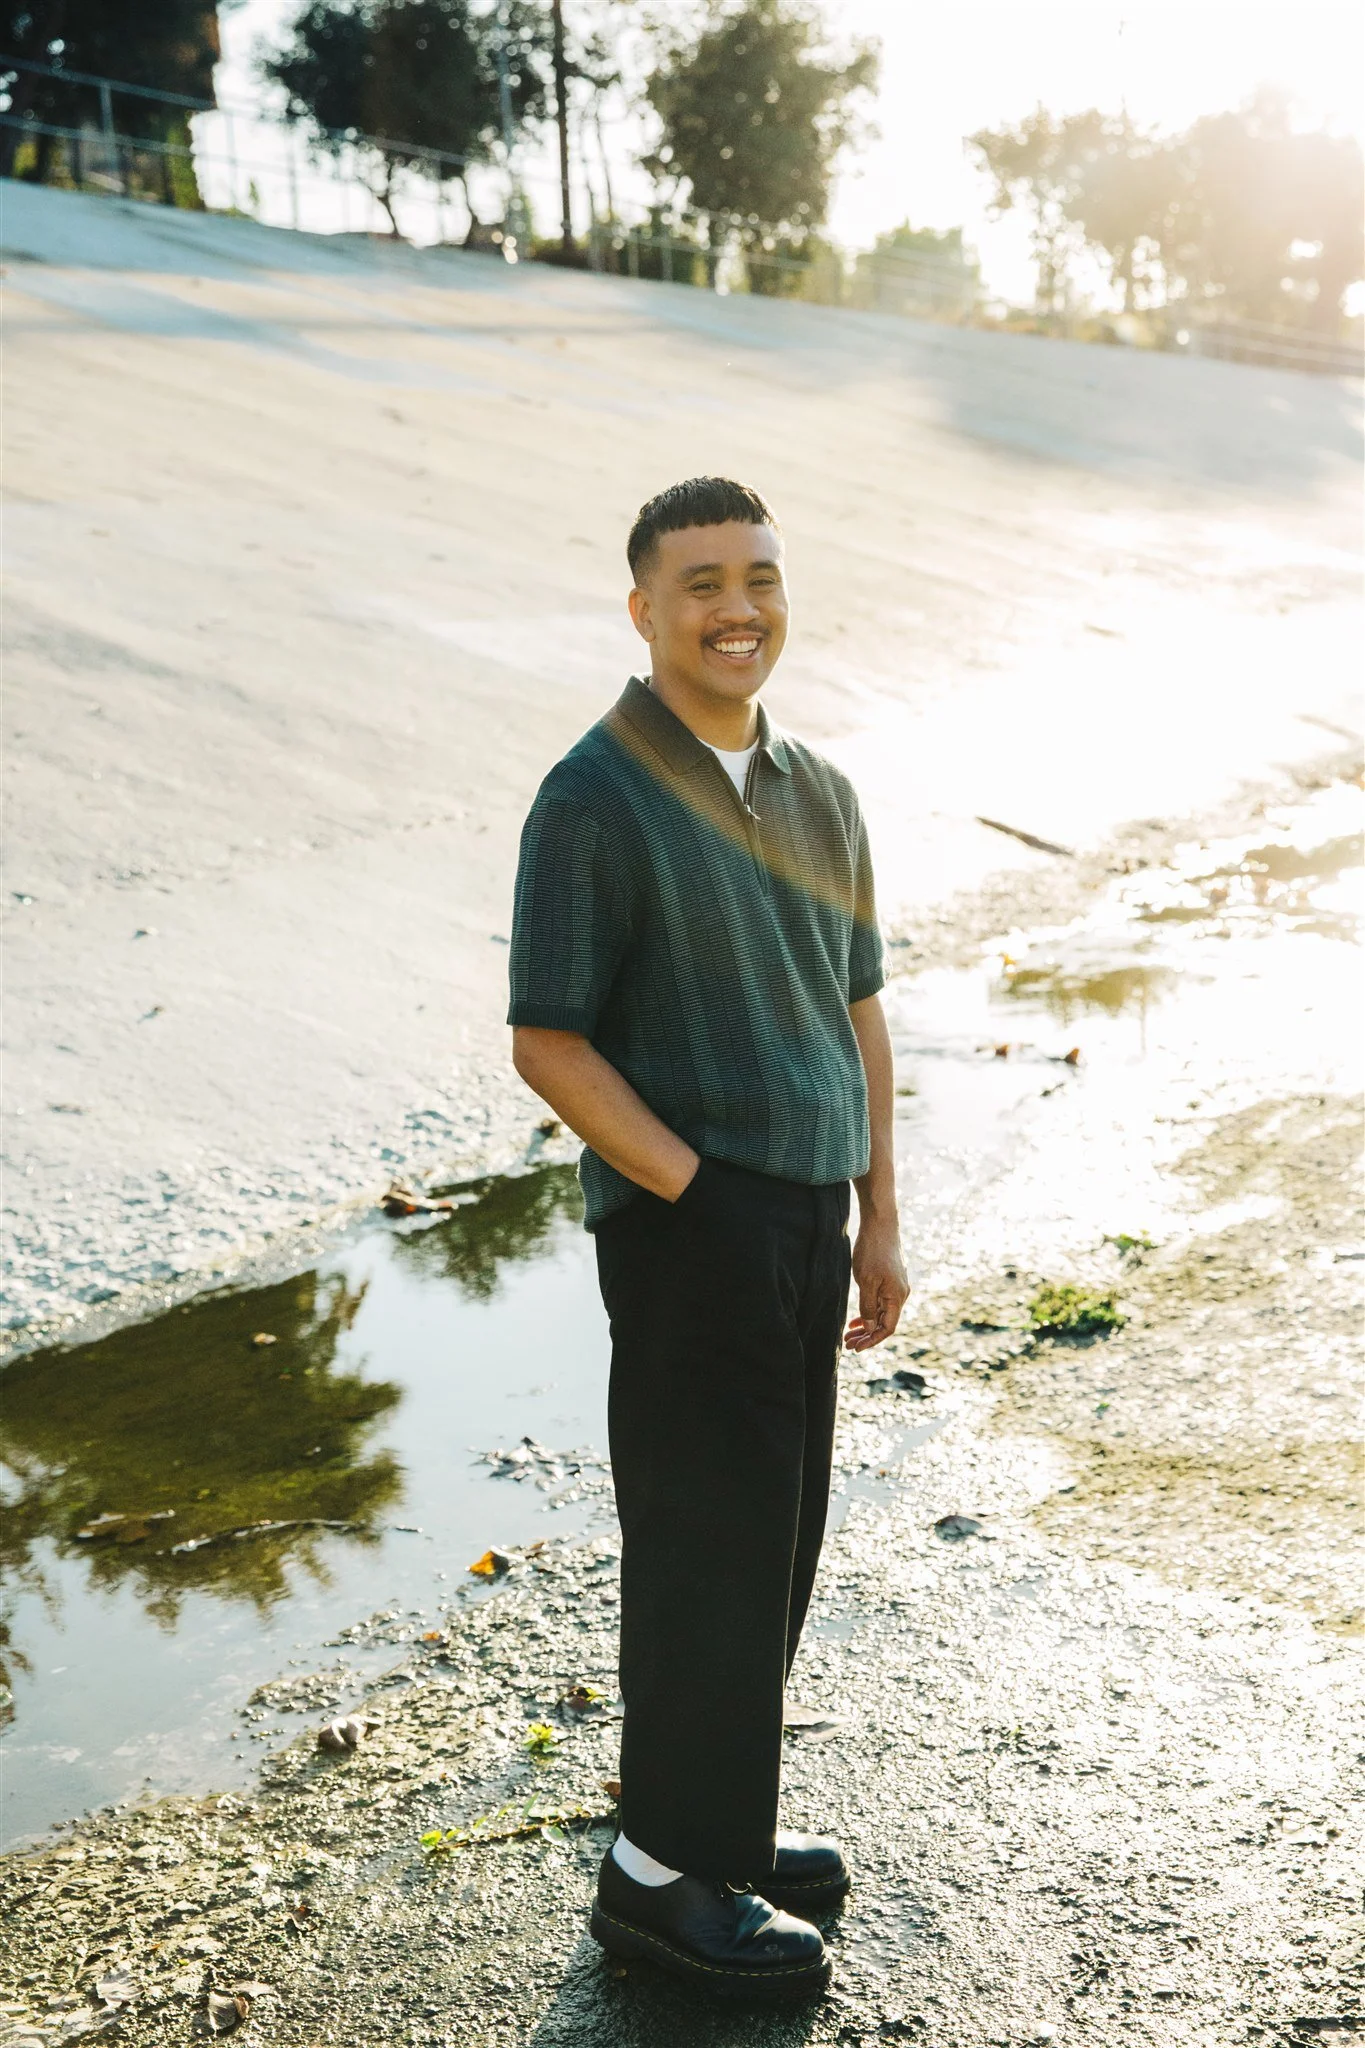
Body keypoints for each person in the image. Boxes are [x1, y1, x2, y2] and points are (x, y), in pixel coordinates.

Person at [508, 476, 908, 1998]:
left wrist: (879, 1209)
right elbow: (548, 1041)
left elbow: (856, 1003)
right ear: (643, 610)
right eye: (700, 585)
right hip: (696, 1228)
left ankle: (713, 1824)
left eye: (759, 577)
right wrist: (701, 1188)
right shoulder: (596, 795)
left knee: (778, 1544)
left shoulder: (817, 786)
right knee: (706, 1547)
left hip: (809, 1213)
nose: (737, 607)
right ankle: (660, 1881)